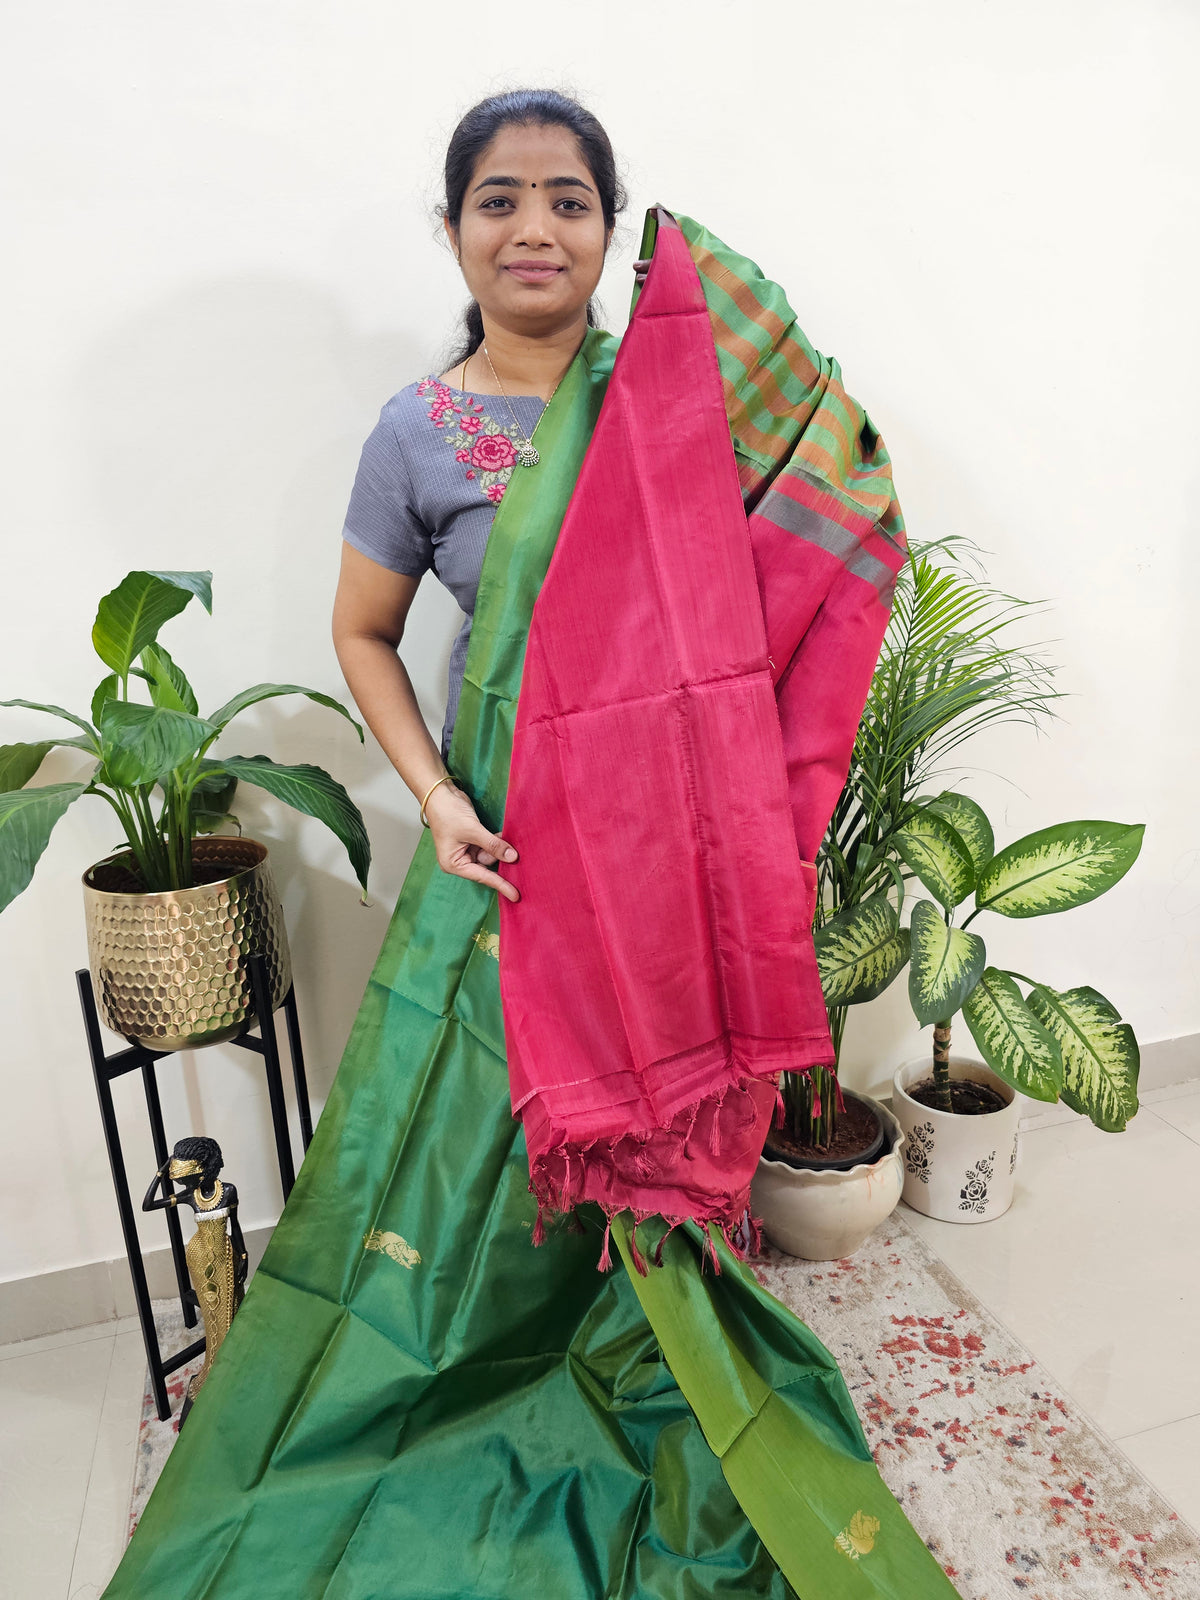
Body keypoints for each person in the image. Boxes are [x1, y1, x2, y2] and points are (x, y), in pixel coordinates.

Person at [101, 89, 962, 1599]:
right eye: (499, 199)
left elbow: (824, 514)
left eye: (570, 198)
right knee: (488, 1143)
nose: (535, 227)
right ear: (454, 232)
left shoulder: (676, 416)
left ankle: (645, 1343)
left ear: (607, 229)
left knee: (639, 1136)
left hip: (660, 864)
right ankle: (473, 1369)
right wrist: (435, 800)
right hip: (506, 859)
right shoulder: (416, 435)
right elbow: (363, 633)